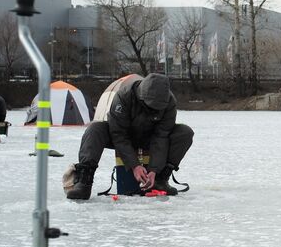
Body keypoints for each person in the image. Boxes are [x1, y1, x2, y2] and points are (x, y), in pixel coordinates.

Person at [64, 73, 193, 200]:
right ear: (142, 96)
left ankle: (160, 180)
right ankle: (84, 181)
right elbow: (118, 134)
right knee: (95, 129)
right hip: (122, 136)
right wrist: (135, 165)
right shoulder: (124, 96)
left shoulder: (169, 102)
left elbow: (161, 136)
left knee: (184, 133)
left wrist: (154, 170)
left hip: (150, 138)